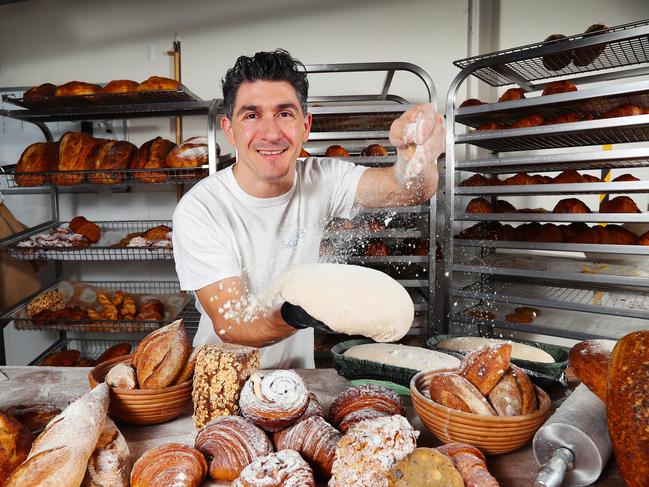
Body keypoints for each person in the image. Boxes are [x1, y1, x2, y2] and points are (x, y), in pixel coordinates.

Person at [172, 49, 445, 368]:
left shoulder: (322, 177)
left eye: (284, 114)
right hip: (222, 383)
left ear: (306, 126)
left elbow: (408, 189)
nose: (271, 133)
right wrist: (302, 312)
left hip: (300, 380)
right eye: (251, 115)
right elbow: (233, 324)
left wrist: (419, 155)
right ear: (229, 130)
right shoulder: (201, 208)